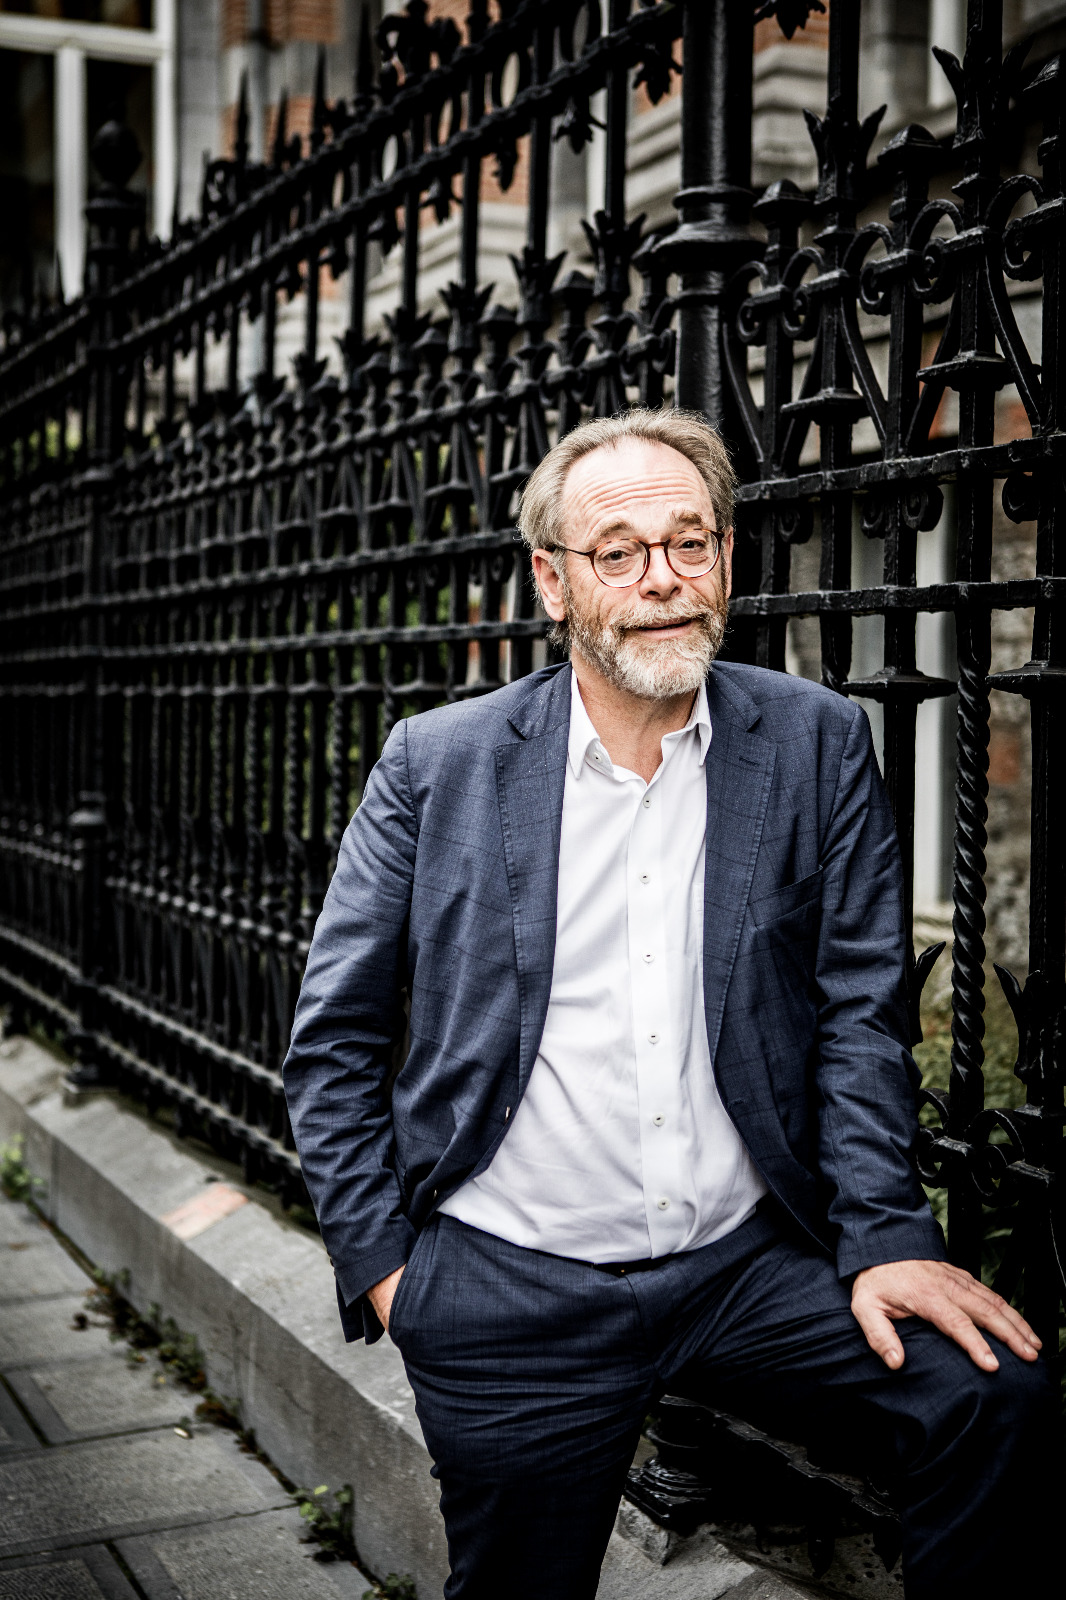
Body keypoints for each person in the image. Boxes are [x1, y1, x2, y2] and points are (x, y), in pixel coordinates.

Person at [283, 409, 1055, 1600]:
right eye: (618, 551)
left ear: (726, 557)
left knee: (989, 1393)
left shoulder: (811, 741)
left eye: (689, 541)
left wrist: (886, 1236)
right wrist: (393, 1273)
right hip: (510, 1280)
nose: (662, 578)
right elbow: (332, 1042)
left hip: (746, 1268)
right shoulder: (436, 763)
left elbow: (858, 1013)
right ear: (553, 580)